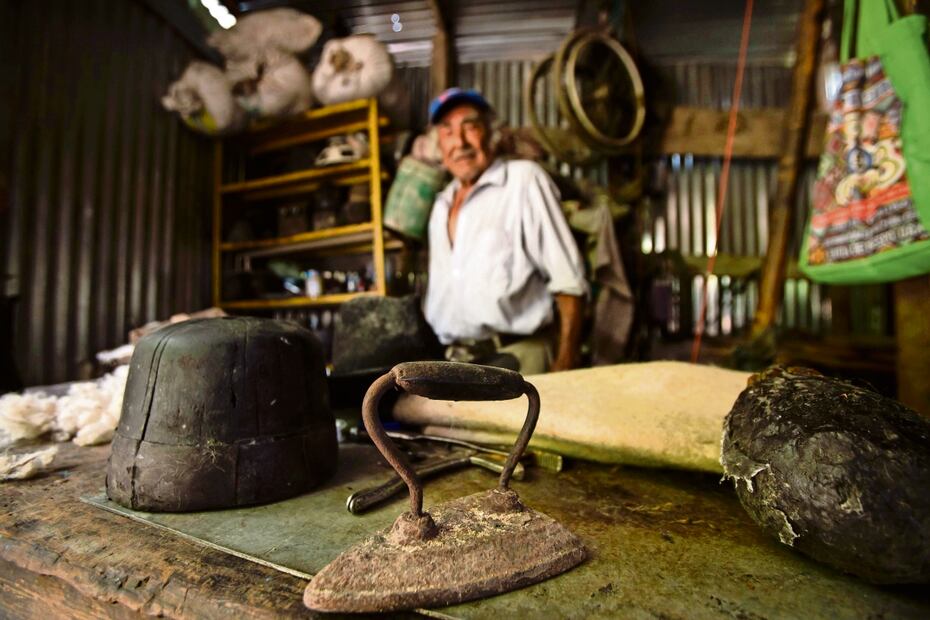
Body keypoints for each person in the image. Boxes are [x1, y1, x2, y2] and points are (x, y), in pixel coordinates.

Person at [422, 88, 587, 374]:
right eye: (447, 132)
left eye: (470, 127)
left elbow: (570, 282)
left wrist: (565, 363)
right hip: (455, 363)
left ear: (491, 133)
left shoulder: (523, 181)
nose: (459, 142)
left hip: (518, 358)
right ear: (439, 144)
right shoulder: (440, 205)